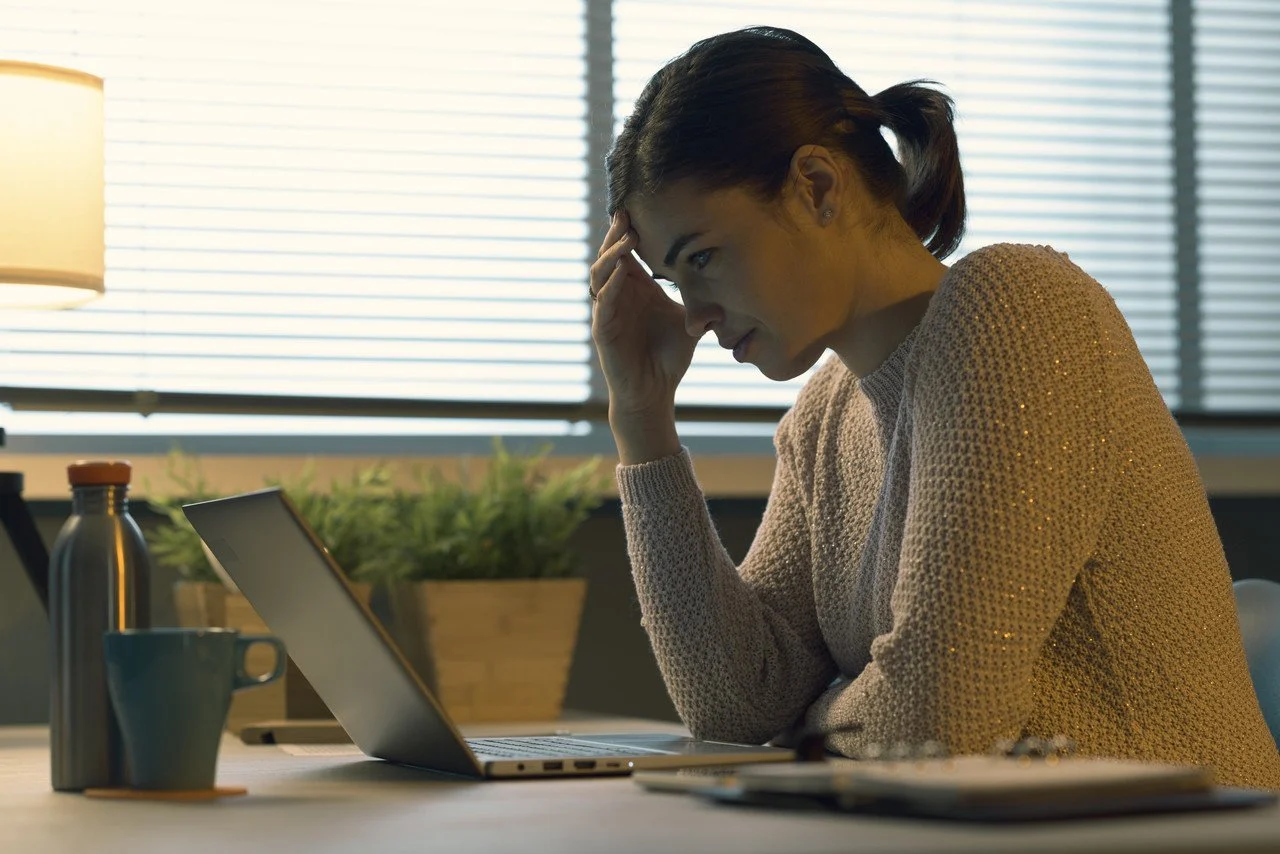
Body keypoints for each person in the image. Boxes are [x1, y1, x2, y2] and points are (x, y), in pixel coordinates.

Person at [587, 26, 1280, 790]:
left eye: (703, 258)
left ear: (817, 185)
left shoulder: (1016, 310)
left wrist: (806, 726)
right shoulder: (826, 415)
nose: (693, 314)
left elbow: (938, 719)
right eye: (673, 279)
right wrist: (642, 417)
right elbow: (738, 705)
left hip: (1176, 839)